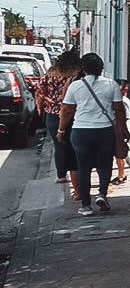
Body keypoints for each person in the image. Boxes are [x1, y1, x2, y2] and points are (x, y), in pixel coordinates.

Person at [58, 53, 128, 216]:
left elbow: (67, 110)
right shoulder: (111, 85)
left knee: (83, 168)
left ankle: (85, 205)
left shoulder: (75, 86)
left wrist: (61, 130)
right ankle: (102, 194)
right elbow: (119, 109)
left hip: (81, 131)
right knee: (104, 164)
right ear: (101, 68)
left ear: (83, 69)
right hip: (105, 131)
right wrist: (122, 128)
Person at [35, 49, 82, 198]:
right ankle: (76, 172)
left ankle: (62, 174)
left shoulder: (49, 75)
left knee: (59, 145)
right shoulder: (76, 76)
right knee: (74, 145)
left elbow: (39, 93)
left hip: (53, 115)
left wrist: (40, 109)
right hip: (73, 113)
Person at [114, 79, 130, 184]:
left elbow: (126, 117)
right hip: (120, 127)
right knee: (118, 154)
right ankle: (121, 174)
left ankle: (121, 175)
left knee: (119, 154)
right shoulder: (122, 100)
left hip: (122, 128)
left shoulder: (123, 101)